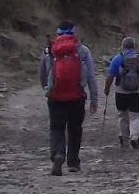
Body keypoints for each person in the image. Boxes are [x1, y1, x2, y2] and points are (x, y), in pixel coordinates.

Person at [40, 21, 97, 175]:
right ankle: (73, 162)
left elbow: (44, 73)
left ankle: (58, 154)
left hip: (55, 96)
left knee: (57, 128)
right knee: (75, 129)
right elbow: (91, 76)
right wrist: (94, 99)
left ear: (58, 33)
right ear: (73, 32)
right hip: (77, 96)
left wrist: (47, 89)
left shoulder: (50, 50)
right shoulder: (82, 50)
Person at [105, 37, 139, 149]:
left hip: (120, 90)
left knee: (122, 114)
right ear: (134, 46)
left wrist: (107, 89)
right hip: (136, 91)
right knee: (136, 115)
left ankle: (124, 140)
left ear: (123, 46)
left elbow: (110, 75)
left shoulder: (118, 58)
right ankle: (135, 137)